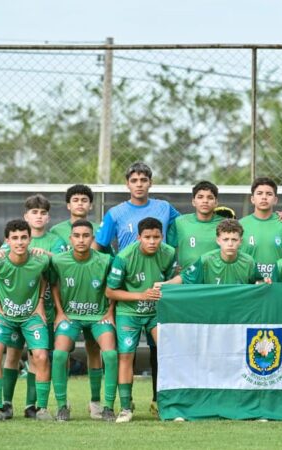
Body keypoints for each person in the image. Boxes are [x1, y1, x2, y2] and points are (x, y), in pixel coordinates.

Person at [94, 162, 180, 418]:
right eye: (134, 180)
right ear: (127, 184)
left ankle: (162, 401)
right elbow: (100, 246)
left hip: (155, 302)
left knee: (164, 351)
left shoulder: (164, 209)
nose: (139, 184)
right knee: (125, 355)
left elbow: (187, 224)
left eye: (144, 180)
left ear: (150, 182)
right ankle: (124, 404)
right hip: (129, 293)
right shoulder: (116, 214)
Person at [0, 194, 66, 419]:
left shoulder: (55, 241)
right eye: (34, 212)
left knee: (38, 356)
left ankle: (31, 405)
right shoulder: (15, 239)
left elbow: (63, 264)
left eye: (43, 213)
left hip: (43, 310)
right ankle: (6, 404)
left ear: (48, 217)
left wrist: (47, 255)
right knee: (12, 354)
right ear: (26, 216)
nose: (39, 216)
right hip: (13, 310)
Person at [105, 217, 177, 423]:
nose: (152, 241)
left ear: (162, 237)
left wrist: (166, 286)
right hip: (129, 312)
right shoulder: (124, 256)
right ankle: (126, 407)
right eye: (147, 237)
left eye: (156, 237)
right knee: (126, 356)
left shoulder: (169, 252)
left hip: (156, 312)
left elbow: (173, 280)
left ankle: (165, 404)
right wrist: (141, 295)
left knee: (168, 353)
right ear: (138, 237)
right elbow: (110, 291)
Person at [0, 220, 53, 421]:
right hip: (5, 317)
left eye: (23, 238)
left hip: (31, 317)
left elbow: (47, 276)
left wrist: (40, 301)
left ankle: (41, 408)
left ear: (30, 239)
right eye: (14, 238)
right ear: (7, 241)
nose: (19, 242)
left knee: (41, 357)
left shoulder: (40, 260)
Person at [50, 219, 117, 422]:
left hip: (98, 316)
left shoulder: (105, 260)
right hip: (70, 316)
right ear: (70, 239)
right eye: (77, 236)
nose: (81, 240)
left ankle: (104, 406)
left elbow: (114, 286)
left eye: (86, 236)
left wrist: (110, 312)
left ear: (92, 239)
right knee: (59, 355)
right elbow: (53, 284)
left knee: (110, 355)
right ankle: (62, 406)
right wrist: (59, 312)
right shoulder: (58, 261)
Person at [167, 219, 263, 285]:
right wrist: (164, 284)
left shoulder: (249, 261)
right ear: (218, 241)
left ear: (240, 242)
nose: (230, 244)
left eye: (234, 240)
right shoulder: (206, 260)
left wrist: (263, 283)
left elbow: (260, 282)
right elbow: (185, 278)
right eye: (225, 239)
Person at [240, 177, 282, 280]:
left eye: (269, 194)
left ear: (275, 200)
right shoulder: (240, 225)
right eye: (259, 193)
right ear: (252, 199)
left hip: (276, 283)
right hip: (249, 284)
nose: (264, 197)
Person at [166, 181, 223, 268]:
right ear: (193, 201)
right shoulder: (180, 222)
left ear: (216, 202)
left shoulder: (224, 224)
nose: (205, 201)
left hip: (216, 274)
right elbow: (168, 250)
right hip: (187, 275)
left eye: (210, 198)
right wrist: (174, 268)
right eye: (200, 197)